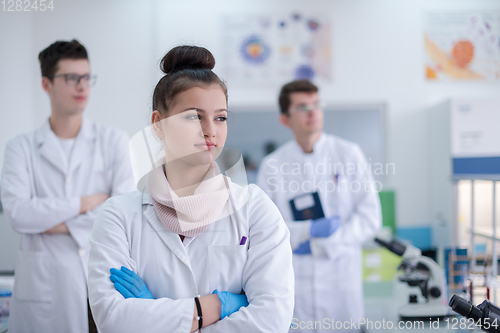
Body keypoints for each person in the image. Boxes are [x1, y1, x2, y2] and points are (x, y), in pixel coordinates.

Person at [87, 45, 294, 332]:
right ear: (158, 125)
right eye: (194, 116)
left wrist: (158, 318)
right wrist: (215, 306)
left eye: (220, 117)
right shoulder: (118, 215)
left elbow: (271, 320)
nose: (210, 130)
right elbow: (112, 319)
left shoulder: (254, 208)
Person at [0, 39, 135, 333]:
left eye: (86, 77)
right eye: (71, 78)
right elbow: (19, 215)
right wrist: (87, 202)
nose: (82, 86)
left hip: (104, 283)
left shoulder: (114, 141)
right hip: (47, 291)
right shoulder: (20, 148)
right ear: (46, 84)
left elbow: (123, 215)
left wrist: (46, 220)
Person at [256, 80, 382, 332]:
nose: (312, 112)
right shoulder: (273, 166)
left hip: (340, 283)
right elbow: (263, 229)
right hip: (295, 286)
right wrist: (305, 233)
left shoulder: (348, 154)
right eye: (302, 107)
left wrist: (327, 243)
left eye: (316, 104)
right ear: (285, 119)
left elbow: (369, 217)